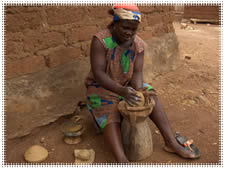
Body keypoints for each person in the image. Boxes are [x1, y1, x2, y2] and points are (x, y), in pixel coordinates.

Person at [85, 4, 200, 163]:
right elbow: (98, 73)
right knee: (108, 107)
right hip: (102, 86)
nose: (129, 33)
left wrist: (139, 92)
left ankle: (170, 142)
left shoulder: (138, 44)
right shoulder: (101, 40)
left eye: (133, 29)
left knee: (150, 95)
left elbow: (137, 73)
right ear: (115, 22)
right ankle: (121, 159)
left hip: (125, 85)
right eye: (125, 27)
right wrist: (121, 91)